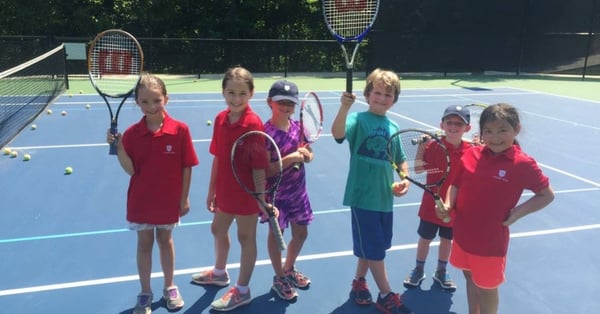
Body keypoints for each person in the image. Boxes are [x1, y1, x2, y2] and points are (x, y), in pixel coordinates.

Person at [441, 103, 555, 314]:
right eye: (489, 131)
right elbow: (455, 184)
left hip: (490, 243)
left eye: (503, 130)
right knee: (469, 277)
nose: (495, 137)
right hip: (463, 234)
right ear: (481, 132)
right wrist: (449, 204)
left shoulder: (523, 164)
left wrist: (516, 214)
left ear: (516, 129)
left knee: (487, 289)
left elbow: (546, 195)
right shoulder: (471, 155)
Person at [107, 73, 199, 314]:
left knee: (165, 241)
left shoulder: (180, 130)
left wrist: (184, 197)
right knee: (145, 244)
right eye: (145, 101)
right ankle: (145, 291)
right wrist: (118, 148)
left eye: (156, 100)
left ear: (166, 99)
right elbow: (131, 170)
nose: (151, 106)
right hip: (141, 200)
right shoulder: (130, 134)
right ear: (137, 102)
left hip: (168, 201)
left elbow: (186, 166)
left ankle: (170, 286)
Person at [191, 66, 275, 312]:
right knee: (217, 229)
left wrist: (261, 198)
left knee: (245, 238)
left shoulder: (253, 123)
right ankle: (219, 273)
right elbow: (218, 157)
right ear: (223, 93)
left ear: (251, 94)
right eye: (231, 93)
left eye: (241, 93)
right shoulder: (220, 119)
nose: (236, 99)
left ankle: (243, 290)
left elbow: (259, 167)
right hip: (225, 189)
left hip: (247, 194)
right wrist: (211, 190)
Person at [331, 68, 413, 314]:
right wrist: (344, 107)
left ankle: (359, 282)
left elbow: (400, 160)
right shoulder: (358, 120)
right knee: (375, 250)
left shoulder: (393, 126)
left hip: (384, 200)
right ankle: (387, 294)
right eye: (377, 93)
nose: (381, 98)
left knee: (373, 246)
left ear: (394, 100)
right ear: (367, 95)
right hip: (362, 197)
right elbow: (337, 134)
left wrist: (404, 179)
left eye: (387, 95)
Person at [403, 105, 474, 291]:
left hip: (455, 208)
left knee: (446, 240)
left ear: (467, 128)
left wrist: (482, 146)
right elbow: (418, 169)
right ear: (441, 124)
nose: (453, 127)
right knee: (425, 239)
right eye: (449, 122)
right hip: (430, 205)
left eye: (459, 124)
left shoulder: (472, 150)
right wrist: (420, 146)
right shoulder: (433, 145)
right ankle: (418, 269)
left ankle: (441, 271)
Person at [263, 80, 314, 301]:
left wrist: (307, 156)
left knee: (301, 234)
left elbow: (308, 152)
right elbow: (267, 170)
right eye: (280, 102)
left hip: (298, 192)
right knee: (276, 237)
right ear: (270, 103)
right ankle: (278, 277)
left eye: (290, 103)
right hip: (276, 196)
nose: (285, 107)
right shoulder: (265, 134)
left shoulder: (298, 128)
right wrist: (291, 158)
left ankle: (289, 268)